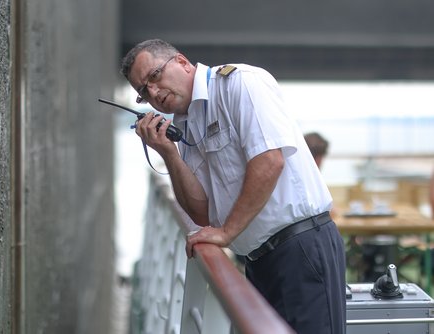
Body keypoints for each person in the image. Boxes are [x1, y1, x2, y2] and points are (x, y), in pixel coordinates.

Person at [120, 39, 346, 334]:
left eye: (154, 76)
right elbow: (202, 213)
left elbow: (269, 161)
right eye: (142, 91)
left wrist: (226, 232)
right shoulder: (187, 123)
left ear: (182, 62)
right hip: (257, 259)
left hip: (300, 248)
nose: (153, 92)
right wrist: (169, 154)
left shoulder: (239, 83)